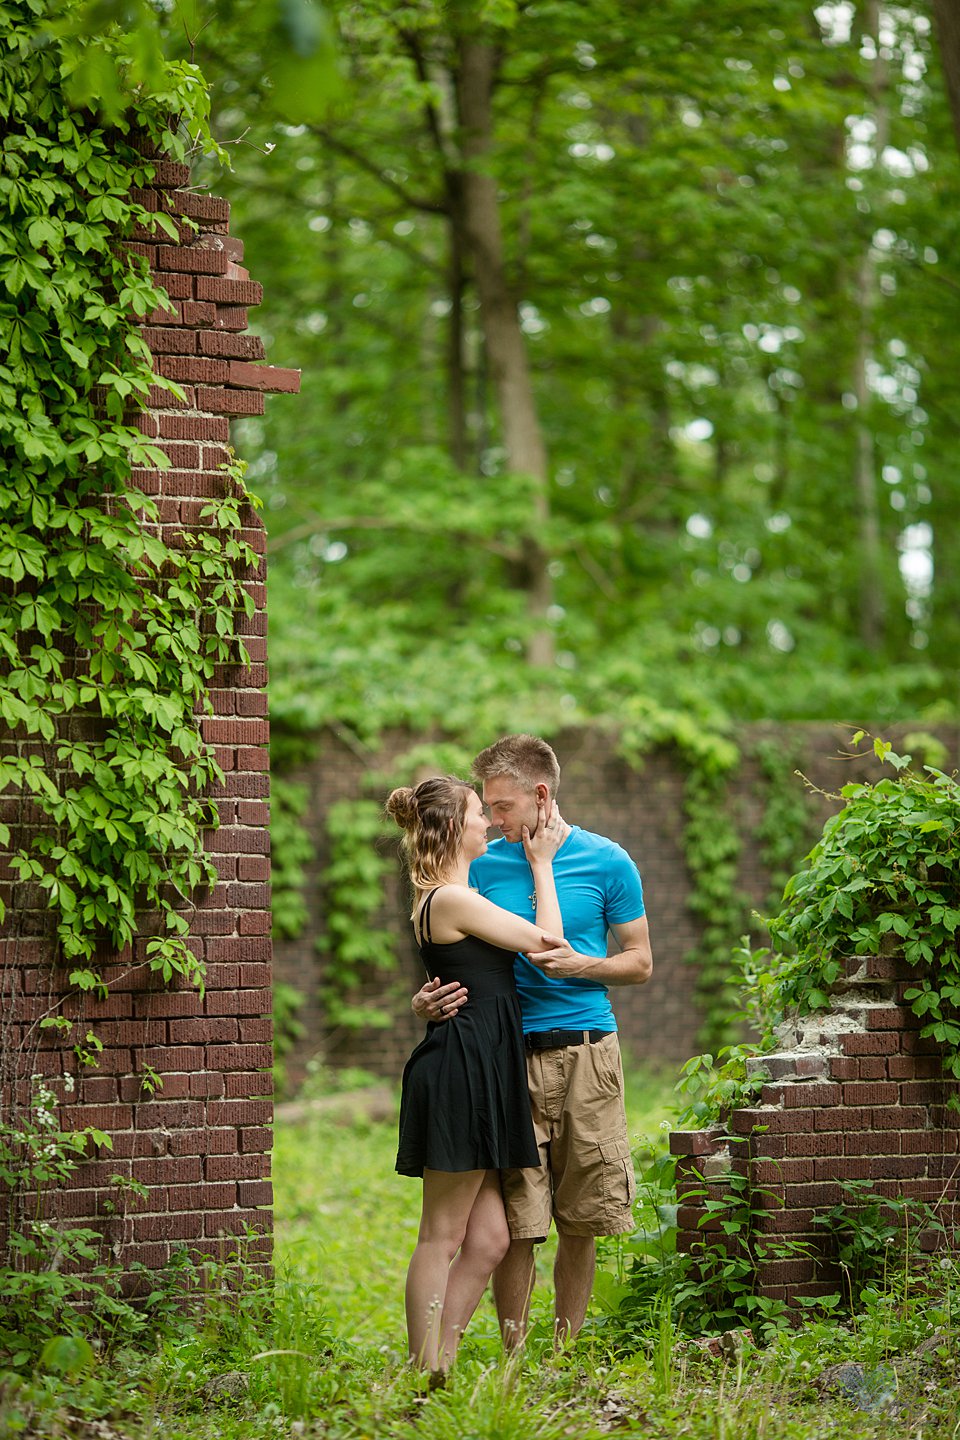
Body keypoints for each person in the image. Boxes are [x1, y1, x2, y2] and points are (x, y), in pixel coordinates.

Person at [412, 734, 653, 1347]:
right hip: (507, 1060)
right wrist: (424, 1000)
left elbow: (641, 962)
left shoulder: (608, 861)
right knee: (517, 1223)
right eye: (485, 810)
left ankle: (566, 1352)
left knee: (582, 1217)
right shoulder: (480, 867)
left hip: (589, 1053)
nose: (492, 821)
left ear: (540, 796)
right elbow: (453, 951)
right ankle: (516, 1353)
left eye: (502, 807)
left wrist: (586, 967)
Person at [386, 774, 568, 1378]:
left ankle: (442, 1358)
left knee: (489, 1239)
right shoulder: (451, 898)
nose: (487, 822)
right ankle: (421, 1372)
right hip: (462, 1070)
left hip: (482, 1066)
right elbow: (550, 943)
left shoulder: (449, 898)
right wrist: (541, 862)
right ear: (450, 829)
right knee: (440, 1234)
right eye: (475, 813)